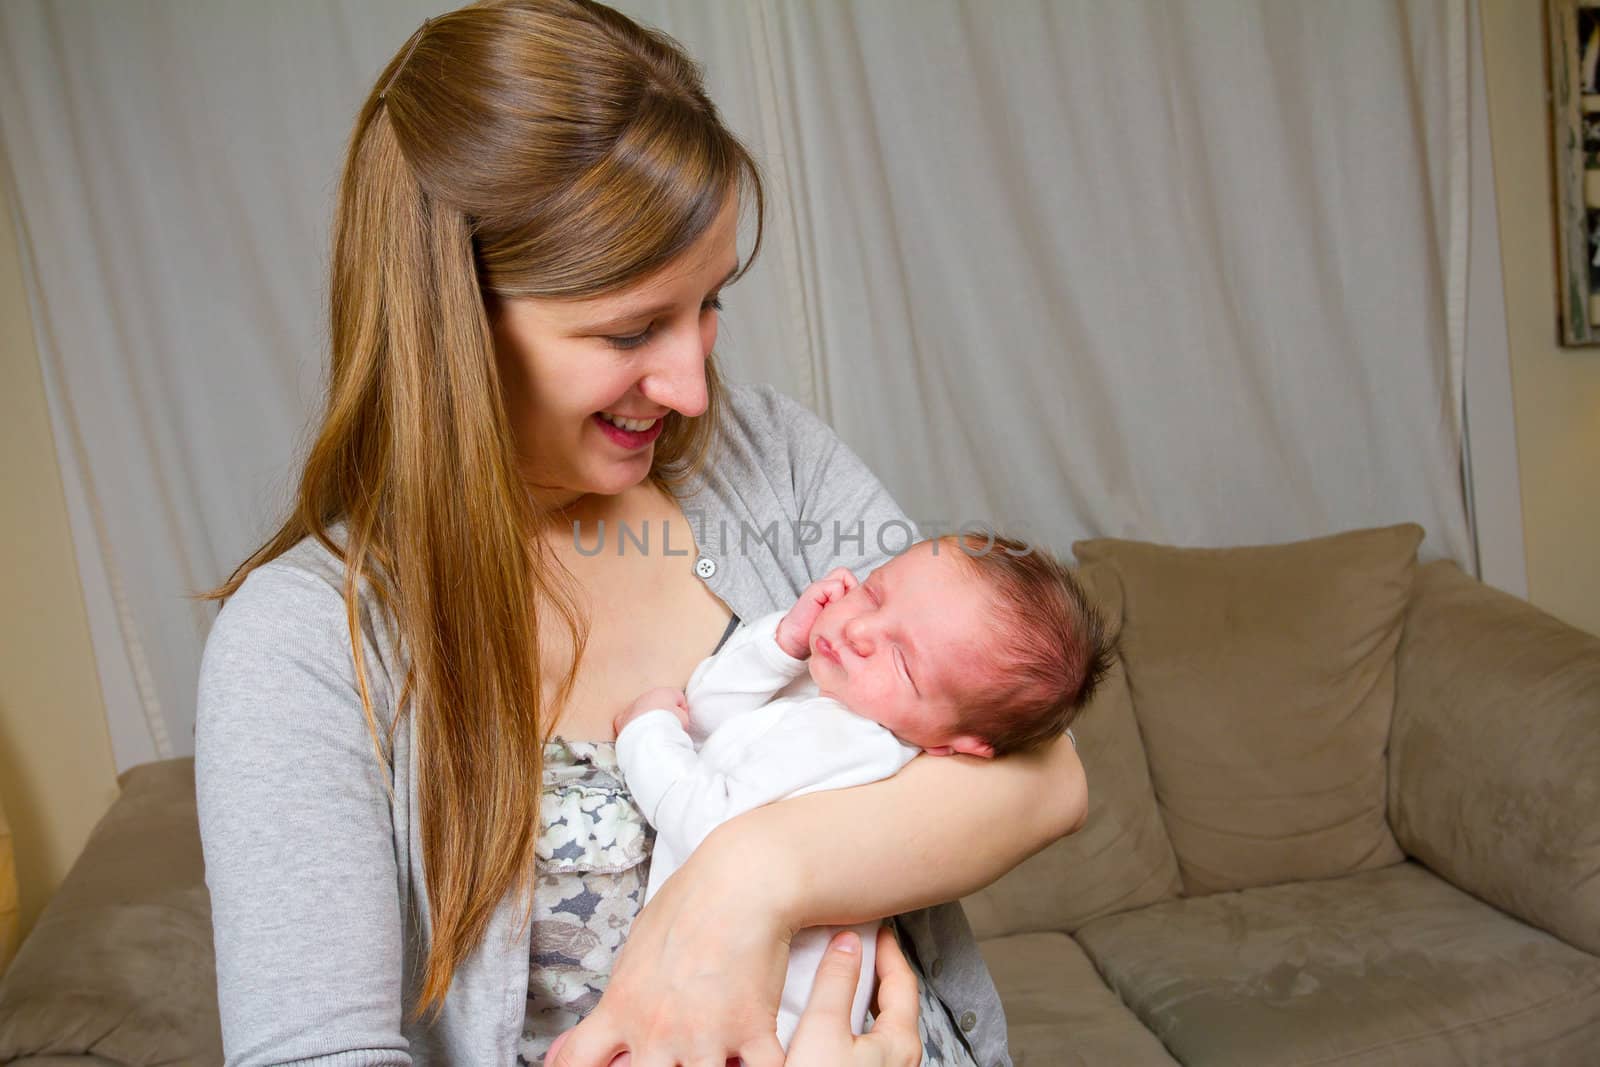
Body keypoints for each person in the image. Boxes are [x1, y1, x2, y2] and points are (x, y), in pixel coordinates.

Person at [193, 2, 1090, 1065]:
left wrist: (745, 875)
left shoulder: (771, 462)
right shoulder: (301, 645)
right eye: (630, 329)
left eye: (708, 303)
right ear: (452, 325)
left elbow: (1041, 773)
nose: (692, 388)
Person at [604, 536, 1114, 1051]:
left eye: (903, 660)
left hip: (765, 1025)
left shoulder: (854, 746)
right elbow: (707, 717)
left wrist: (645, 732)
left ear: (958, 743)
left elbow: (704, 824)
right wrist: (783, 644)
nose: (860, 629)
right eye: (872, 593)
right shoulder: (838, 695)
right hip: (710, 1003)